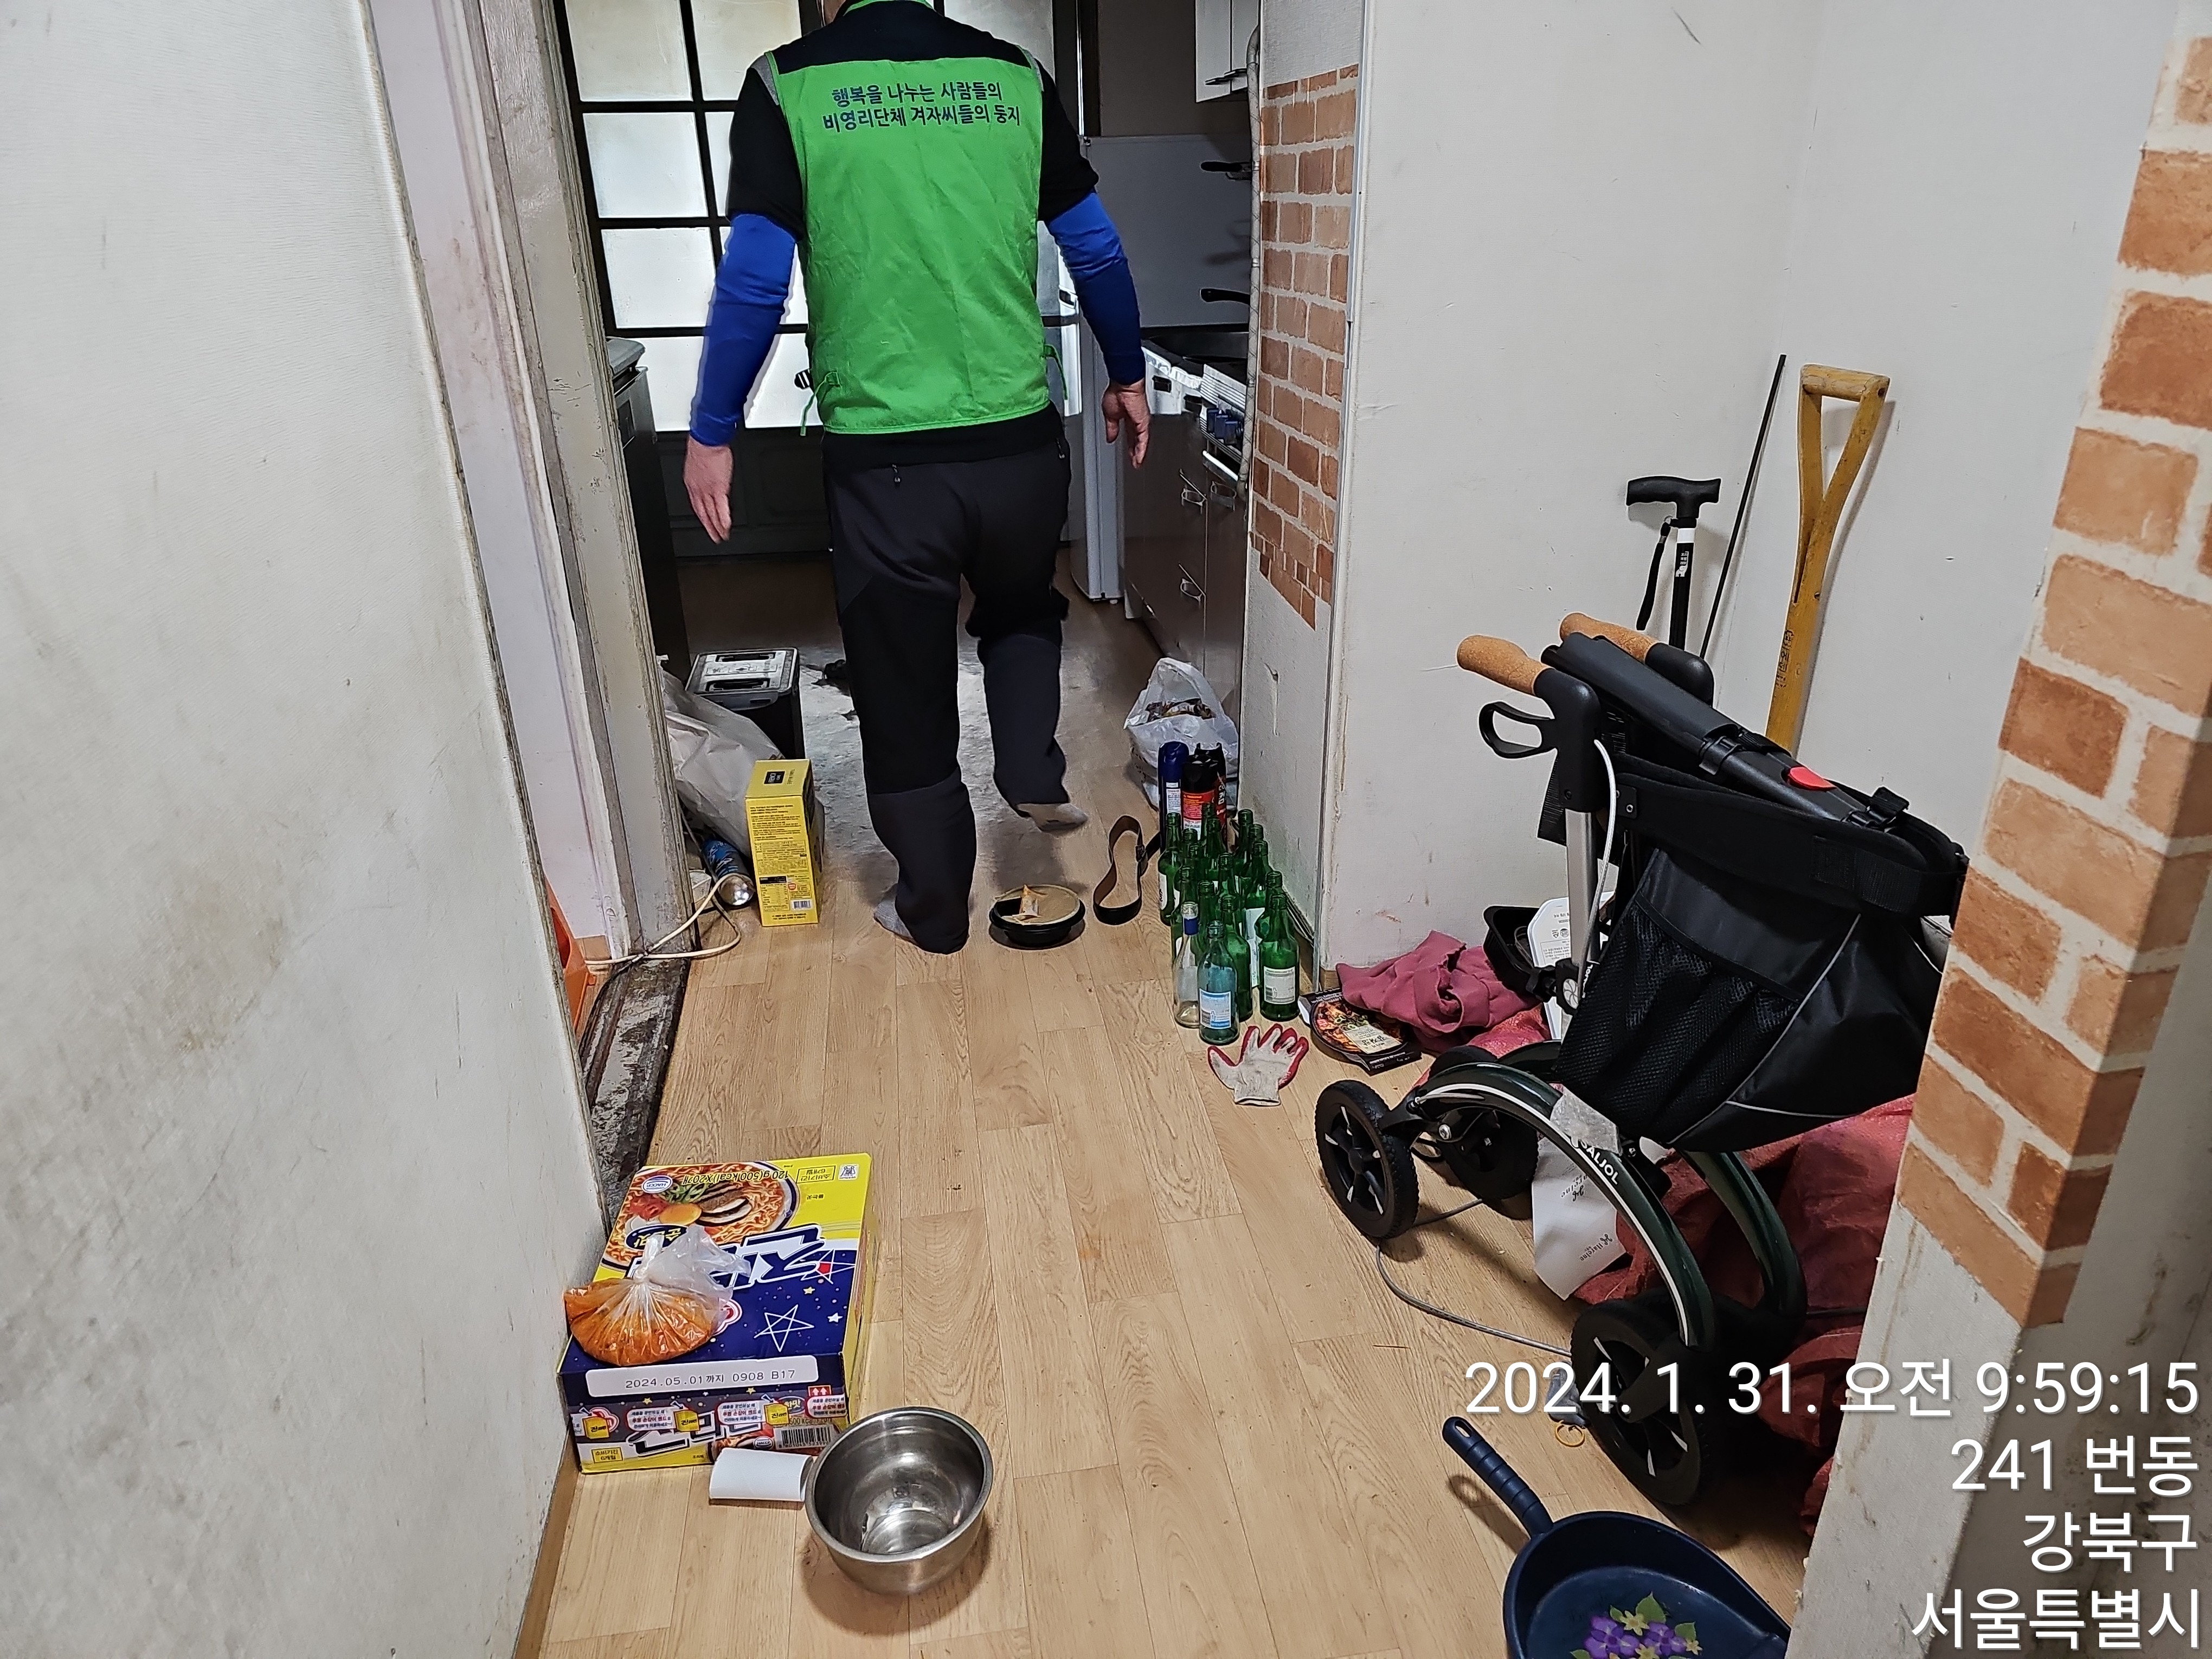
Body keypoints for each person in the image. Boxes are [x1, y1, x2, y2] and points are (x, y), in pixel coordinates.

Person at [684, 0, 1149, 954]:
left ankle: (933, 913)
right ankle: (1030, 766)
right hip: (1020, 443)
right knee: (1022, 608)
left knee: (901, 680)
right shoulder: (1016, 77)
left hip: (888, 465)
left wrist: (713, 428)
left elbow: (755, 281)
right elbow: (1096, 247)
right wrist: (1128, 371)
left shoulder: (786, 85)